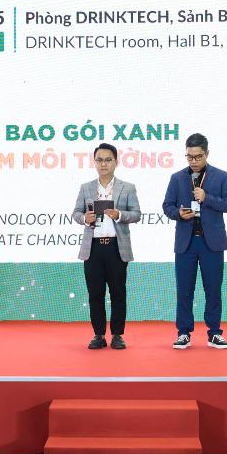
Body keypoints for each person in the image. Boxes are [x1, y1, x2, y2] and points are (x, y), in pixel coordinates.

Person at [162, 133, 227, 350]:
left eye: (198, 156)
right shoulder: (177, 178)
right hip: (186, 243)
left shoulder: (220, 176)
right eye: (189, 157)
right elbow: (167, 206)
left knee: (213, 290)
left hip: (211, 243)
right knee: (184, 290)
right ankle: (183, 333)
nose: (193, 161)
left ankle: (214, 333)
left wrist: (207, 198)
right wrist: (178, 213)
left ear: (207, 154)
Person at [72, 143, 141, 350]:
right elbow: (76, 213)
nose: (103, 164)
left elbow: (136, 214)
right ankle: (99, 334)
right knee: (95, 294)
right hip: (93, 248)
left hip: (116, 247)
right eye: (99, 160)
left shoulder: (127, 187)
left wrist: (119, 215)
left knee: (118, 293)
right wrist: (85, 218)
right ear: (94, 162)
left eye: (108, 160)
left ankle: (117, 335)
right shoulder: (86, 188)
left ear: (116, 162)